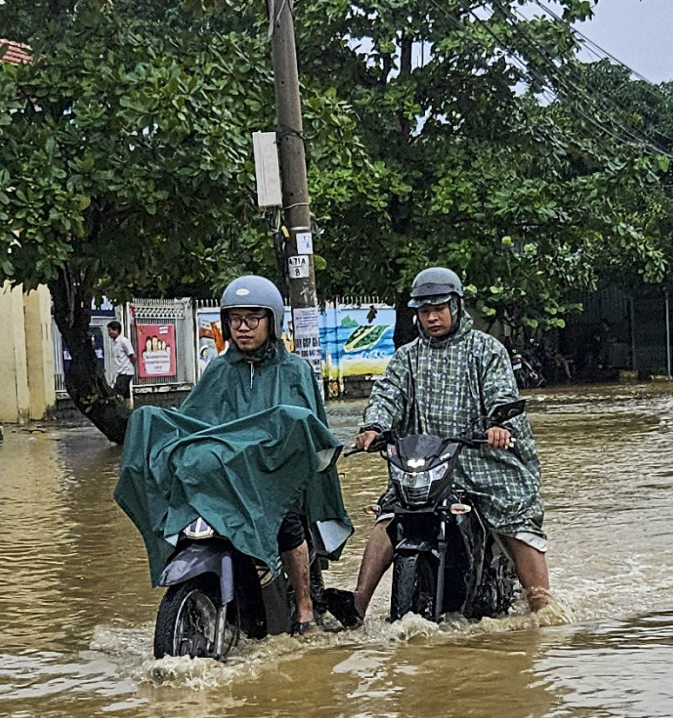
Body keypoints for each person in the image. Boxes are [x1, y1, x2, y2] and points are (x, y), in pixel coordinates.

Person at [114, 275, 350, 635]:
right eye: (235, 319)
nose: (243, 327)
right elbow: (195, 423)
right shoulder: (218, 370)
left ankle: (304, 610)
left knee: (287, 523)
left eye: (253, 317)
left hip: (277, 476)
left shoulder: (295, 371)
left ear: (272, 321)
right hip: (229, 476)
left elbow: (309, 432)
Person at [346, 266, 550, 619]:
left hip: (484, 461)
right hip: (428, 464)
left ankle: (544, 609)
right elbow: (387, 395)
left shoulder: (485, 350)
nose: (432, 317)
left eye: (439, 309)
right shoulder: (407, 356)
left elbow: (502, 395)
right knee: (391, 513)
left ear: (456, 307)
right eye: (424, 311)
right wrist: (373, 426)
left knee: (516, 515)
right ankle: (356, 606)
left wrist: (498, 425)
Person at [107, 320, 137, 399]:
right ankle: (128, 409)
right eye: (108, 331)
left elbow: (133, 356)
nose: (109, 333)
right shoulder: (114, 343)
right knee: (125, 395)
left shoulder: (123, 341)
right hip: (119, 372)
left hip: (125, 372)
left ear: (116, 330)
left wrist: (129, 366)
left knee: (117, 394)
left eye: (111, 331)